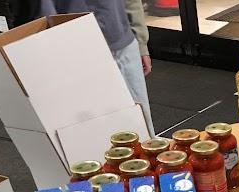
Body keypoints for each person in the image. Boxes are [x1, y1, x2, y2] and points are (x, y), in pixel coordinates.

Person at [41, 0, 155, 135]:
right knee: (95, 128)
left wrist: (141, 43)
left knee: (141, 124)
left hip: (123, 44)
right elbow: (46, 12)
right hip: (79, 51)